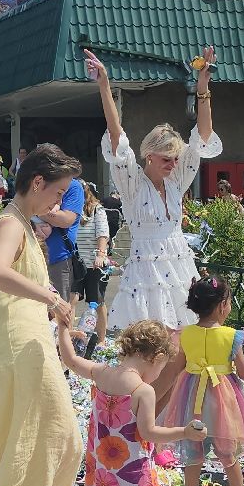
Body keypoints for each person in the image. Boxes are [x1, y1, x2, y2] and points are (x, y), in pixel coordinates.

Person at [89, 46, 223, 409]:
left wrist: (203, 86)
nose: (172, 164)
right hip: (146, 269)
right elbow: (117, 138)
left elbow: (203, 138)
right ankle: (132, 419)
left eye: (175, 159)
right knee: (152, 357)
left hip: (178, 265)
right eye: (166, 158)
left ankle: (155, 424)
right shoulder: (132, 182)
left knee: (180, 356)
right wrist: (104, 86)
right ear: (150, 155)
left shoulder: (178, 178)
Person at [0, 145, 83, 486]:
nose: (58, 203)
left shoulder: (21, 222)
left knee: (53, 438)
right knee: (44, 437)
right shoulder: (10, 223)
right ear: (37, 184)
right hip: (21, 346)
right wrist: (50, 297)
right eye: (56, 193)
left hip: (26, 341)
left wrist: (56, 315)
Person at [57, 320, 203, 486]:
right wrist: (184, 431)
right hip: (131, 471)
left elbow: (71, 359)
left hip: (103, 466)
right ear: (157, 358)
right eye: (161, 368)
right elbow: (150, 432)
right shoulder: (143, 391)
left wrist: (63, 328)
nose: (159, 374)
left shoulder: (102, 373)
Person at [163, 276, 244, 486]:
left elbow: (177, 367)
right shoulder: (232, 336)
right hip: (223, 400)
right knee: (228, 453)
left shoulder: (186, 334)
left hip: (191, 399)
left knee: (193, 453)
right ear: (222, 306)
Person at [73, 185, 112, 356]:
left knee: (97, 302)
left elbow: (103, 233)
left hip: (93, 262)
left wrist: (101, 254)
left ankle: (102, 339)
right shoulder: (70, 209)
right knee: (71, 299)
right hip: (76, 262)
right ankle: (70, 335)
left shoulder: (97, 209)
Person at [37, 170, 84, 307]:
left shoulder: (73, 186)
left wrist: (35, 209)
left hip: (58, 259)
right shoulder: (35, 182)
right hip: (30, 256)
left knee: (59, 311)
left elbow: (65, 220)